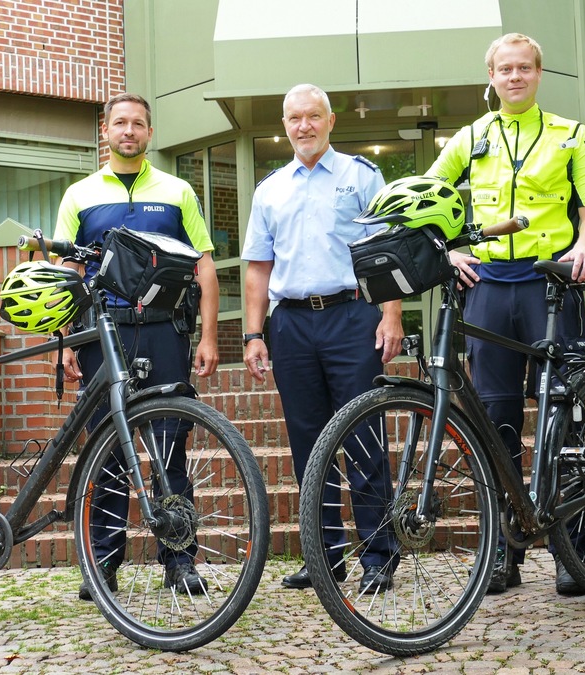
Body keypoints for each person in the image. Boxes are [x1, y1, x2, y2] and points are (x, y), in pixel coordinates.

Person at [426, 33, 585, 596]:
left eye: (524, 68)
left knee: (565, 416)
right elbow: (428, 195)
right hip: (486, 285)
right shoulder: (470, 137)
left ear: (537, 73)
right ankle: (505, 555)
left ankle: (569, 552)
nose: (514, 77)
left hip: (550, 285)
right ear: (491, 76)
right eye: (504, 69)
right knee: (495, 421)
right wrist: (446, 247)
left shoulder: (570, 135)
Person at [53, 92, 220, 599]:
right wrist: (64, 343)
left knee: (170, 447)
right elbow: (66, 271)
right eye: (120, 123)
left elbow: (204, 265)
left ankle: (180, 559)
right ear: (105, 132)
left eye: (138, 124)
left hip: (166, 329)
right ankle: (102, 563)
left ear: (150, 133)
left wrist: (209, 335)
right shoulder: (78, 194)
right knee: (106, 450)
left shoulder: (178, 191)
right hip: (103, 334)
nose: (129, 131)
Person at [241, 83, 401, 594]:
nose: (304, 126)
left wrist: (391, 315)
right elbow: (257, 269)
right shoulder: (270, 189)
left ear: (331, 120)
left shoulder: (362, 175)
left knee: (363, 439)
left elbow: (388, 244)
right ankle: (324, 558)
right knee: (309, 446)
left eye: (313, 116)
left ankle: (379, 555)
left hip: (352, 318)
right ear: (284, 125)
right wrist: (253, 334)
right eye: (294, 118)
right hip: (291, 325)